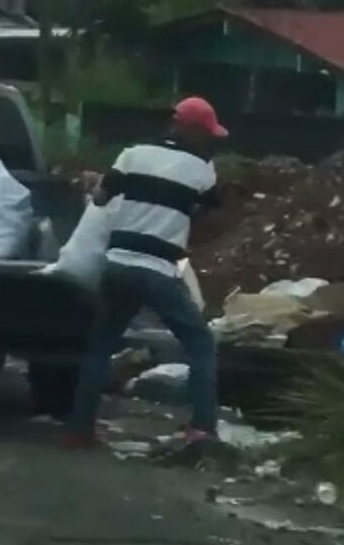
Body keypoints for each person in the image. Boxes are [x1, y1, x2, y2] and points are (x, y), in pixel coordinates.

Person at [64, 96, 227, 447]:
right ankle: (202, 428)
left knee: (101, 345)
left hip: (117, 265)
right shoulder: (202, 167)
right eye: (207, 134)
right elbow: (211, 208)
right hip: (156, 270)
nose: (210, 141)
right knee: (200, 343)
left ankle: (79, 429)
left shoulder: (131, 154)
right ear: (190, 130)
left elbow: (101, 199)